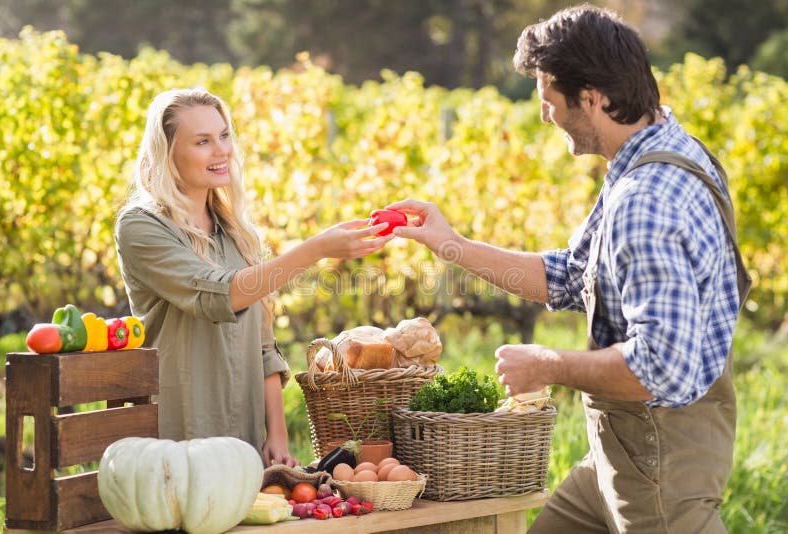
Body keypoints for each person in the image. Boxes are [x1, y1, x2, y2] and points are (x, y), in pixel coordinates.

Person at [389, 4, 750, 533]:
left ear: (592, 98)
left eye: (549, 100)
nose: (544, 115)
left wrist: (549, 365)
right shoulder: (665, 152)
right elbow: (572, 276)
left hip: (659, 466)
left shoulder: (645, 200)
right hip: (624, 454)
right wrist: (453, 246)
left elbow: (659, 367)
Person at [115, 88, 392, 467]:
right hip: (180, 437)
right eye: (202, 141)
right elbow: (218, 296)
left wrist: (276, 435)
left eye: (224, 135)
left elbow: (264, 346)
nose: (222, 151)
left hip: (244, 439)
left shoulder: (236, 233)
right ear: (168, 153)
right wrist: (316, 249)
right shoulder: (142, 226)